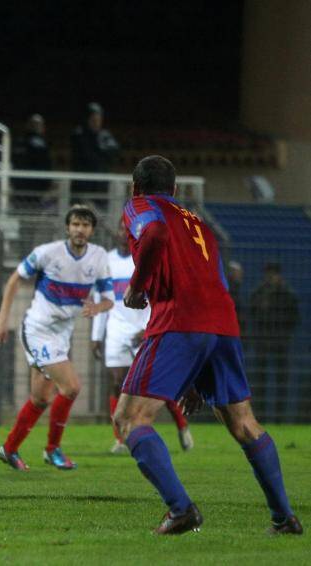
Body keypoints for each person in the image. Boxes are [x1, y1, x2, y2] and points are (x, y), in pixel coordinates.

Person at [113, 155, 302, 535]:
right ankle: (284, 519)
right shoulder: (201, 224)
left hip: (179, 321)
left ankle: (181, 509)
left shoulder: (140, 206)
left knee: (129, 419)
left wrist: (136, 286)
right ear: (176, 190)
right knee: (244, 424)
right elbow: (216, 280)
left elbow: (154, 235)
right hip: (223, 324)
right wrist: (201, 372)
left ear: (135, 187)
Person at [0, 205, 114, 471]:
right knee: (71, 388)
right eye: (75, 224)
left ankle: (9, 449)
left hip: (62, 334)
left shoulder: (99, 257)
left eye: (85, 225)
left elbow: (108, 299)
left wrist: (98, 308)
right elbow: (14, 280)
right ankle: (52, 449)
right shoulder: (47, 253)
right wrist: (1, 320)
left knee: (41, 398)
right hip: (37, 329)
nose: (80, 230)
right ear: (67, 228)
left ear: (92, 230)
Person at [92, 220, 193, 454]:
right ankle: (120, 439)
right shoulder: (106, 261)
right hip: (116, 329)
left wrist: (149, 327)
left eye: (128, 231)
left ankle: (181, 425)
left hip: (146, 329)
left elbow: (162, 298)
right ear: (116, 232)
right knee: (116, 383)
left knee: (155, 385)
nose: (123, 234)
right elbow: (102, 298)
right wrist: (97, 335)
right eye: (120, 229)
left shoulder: (148, 259)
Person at [248, 262, 299, 420]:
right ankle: (260, 415)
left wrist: (283, 333)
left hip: (280, 342)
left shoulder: (286, 293)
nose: (270, 277)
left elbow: (294, 317)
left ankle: (279, 416)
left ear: (278, 275)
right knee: (261, 380)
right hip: (264, 341)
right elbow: (253, 313)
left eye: (272, 274)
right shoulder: (260, 292)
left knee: (280, 381)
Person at [70, 102, 119, 200]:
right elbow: (87, 155)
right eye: (93, 119)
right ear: (87, 119)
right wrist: (100, 149)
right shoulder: (78, 134)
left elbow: (114, 150)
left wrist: (101, 149)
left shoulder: (105, 134)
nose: (96, 122)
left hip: (100, 184)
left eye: (98, 119)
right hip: (82, 184)